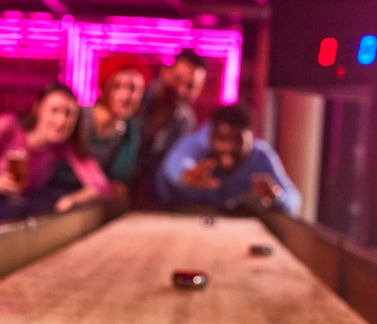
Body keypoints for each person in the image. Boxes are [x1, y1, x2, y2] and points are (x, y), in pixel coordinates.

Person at [0, 82, 111, 233]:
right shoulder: (8, 126)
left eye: (69, 113)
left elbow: (100, 186)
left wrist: (70, 200)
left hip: (0, 209)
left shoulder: (64, 146)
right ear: (38, 109)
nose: (61, 121)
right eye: (54, 110)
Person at [155, 104, 301, 215]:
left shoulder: (260, 156)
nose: (228, 147)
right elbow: (174, 163)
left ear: (251, 138)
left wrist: (275, 196)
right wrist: (186, 174)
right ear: (210, 135)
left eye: (237, 141)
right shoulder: (196, 144)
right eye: (221, 138)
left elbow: (294, 201)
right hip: (173, 217)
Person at [48, 55, 150, 204]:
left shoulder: (129, 130)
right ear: (105, 85)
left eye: (133, 89)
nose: (126, 96)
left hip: (89, 203)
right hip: (52, 196)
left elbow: (117, 185)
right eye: (117, 86)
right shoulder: (77, 116)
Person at [134, 49, 208, 197]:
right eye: (177, 79)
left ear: (199, 90)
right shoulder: (135, 96)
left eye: (190, 86)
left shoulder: (186, 122)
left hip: (151, 196)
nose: (181, 90)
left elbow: (174, 162)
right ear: (164, 72)